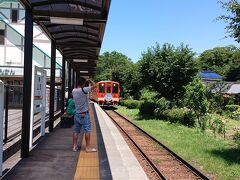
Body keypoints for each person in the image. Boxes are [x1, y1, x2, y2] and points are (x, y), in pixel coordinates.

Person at [72, 77, 97, 152]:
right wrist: (90, 80)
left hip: (77, 114)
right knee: (87, 131)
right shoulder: (84, 90)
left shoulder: (74, 90)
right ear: (83, 84)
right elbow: (95, 85)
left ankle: (74, 146)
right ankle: (88, 148)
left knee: (76, 131)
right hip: (84, 115)